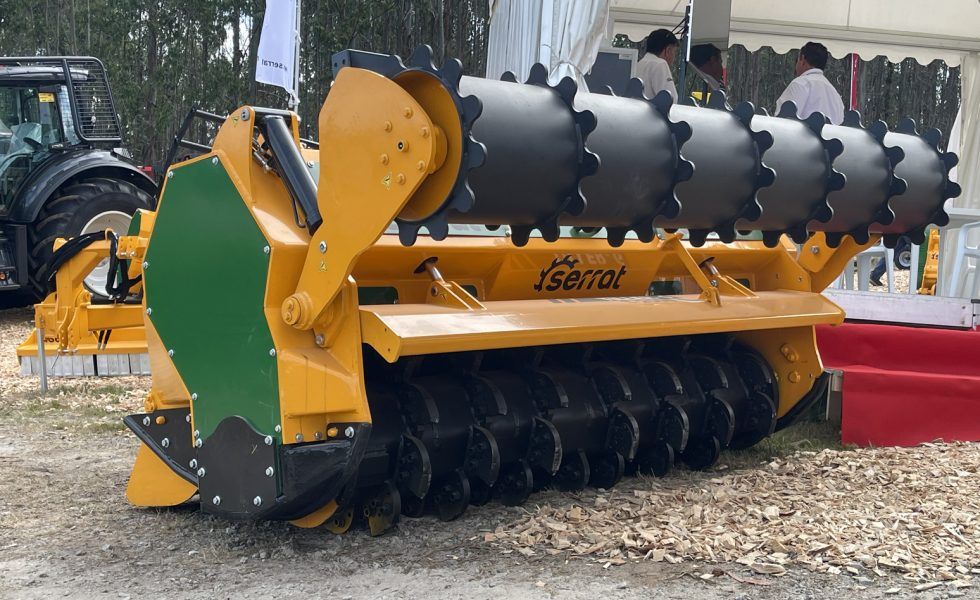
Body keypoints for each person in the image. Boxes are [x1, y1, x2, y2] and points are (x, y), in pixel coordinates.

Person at [775, 41, 845, 125]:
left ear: (803, 60)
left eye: (797, 60)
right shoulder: (835, 94)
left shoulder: (800, 84)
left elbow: (782, 122)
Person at [636, 29, 679, 101]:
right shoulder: (660, 64)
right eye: (674, 52)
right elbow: (671, 99)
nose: (674, 58)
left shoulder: (639, 64)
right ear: (668, 50)